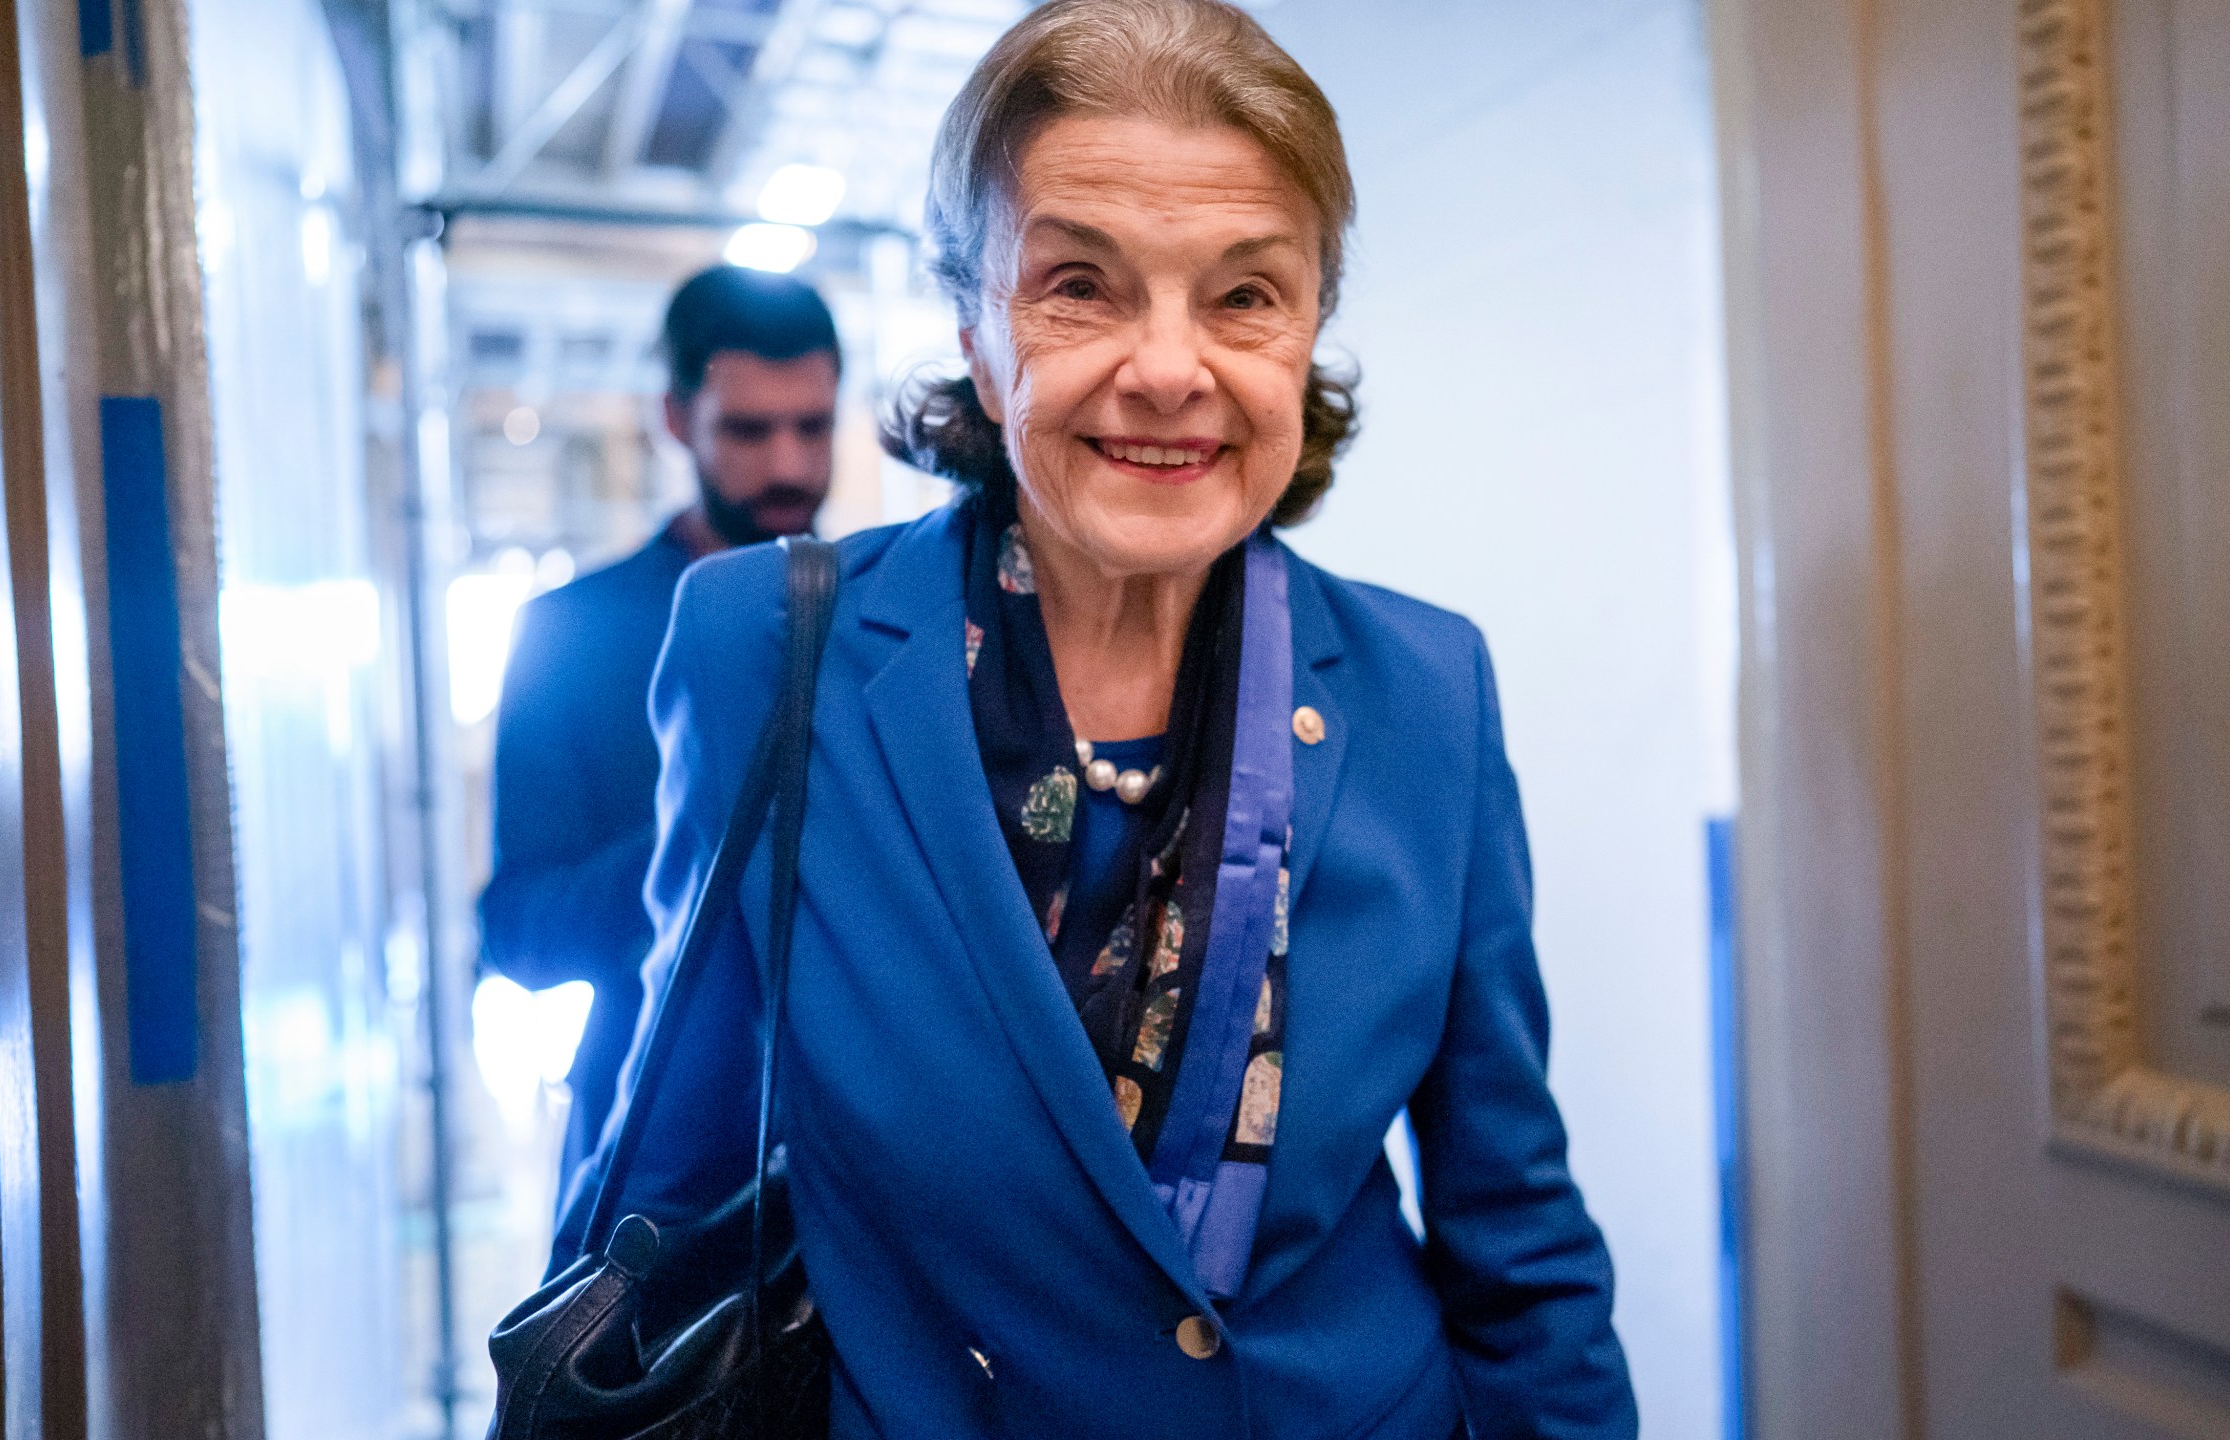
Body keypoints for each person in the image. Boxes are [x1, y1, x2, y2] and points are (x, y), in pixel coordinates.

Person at [561, 2, 1635, 1434]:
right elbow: (662, 1175)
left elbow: (1521, 1244)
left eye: (1246, 295)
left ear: (1307, 331)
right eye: (1082, 285)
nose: (1171, 368)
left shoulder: (1426, 692)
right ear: (975, 331)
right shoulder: (772, 649)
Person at [477, 265, 841, 1195]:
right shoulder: (572, 633)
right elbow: (520, 935)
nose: (789, 466)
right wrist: (719, 834)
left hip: (856, 1158)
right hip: (654, 1165)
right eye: (749, 431)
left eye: (814, 426)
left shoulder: (882, 620)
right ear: (676, 419)